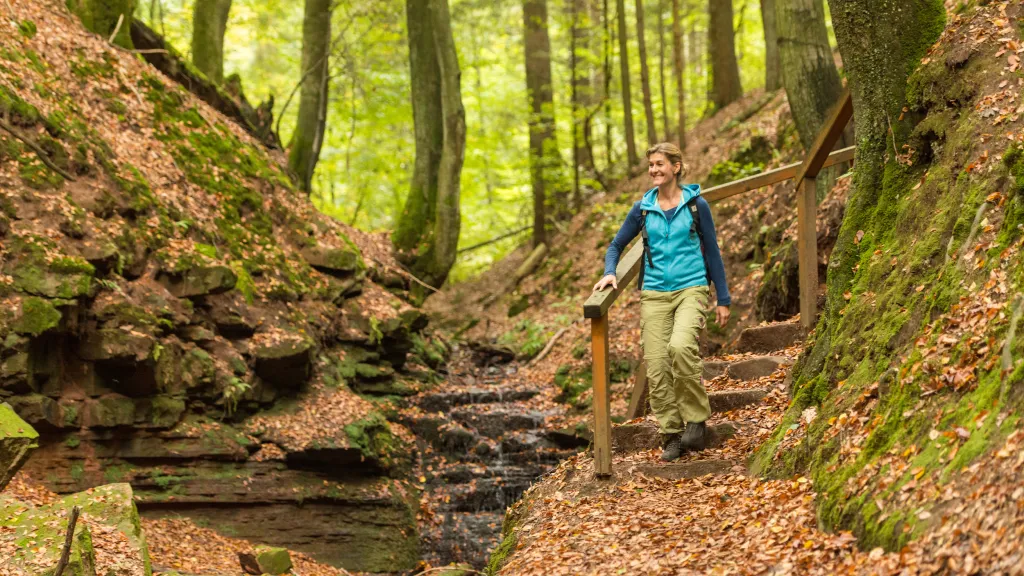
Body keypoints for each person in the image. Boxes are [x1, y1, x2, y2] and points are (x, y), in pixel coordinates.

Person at [593, 142, 731, 461]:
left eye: (660, 164)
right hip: (654, 293)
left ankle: (696, 418)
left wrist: (722, 298)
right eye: (651, 165)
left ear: (676, 167)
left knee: (680, 347)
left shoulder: (697, 206)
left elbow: (712, 251)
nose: (654, 170)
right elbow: (615, 246)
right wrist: (610, 272)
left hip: (691, 287)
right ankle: (671, 434)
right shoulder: (643, 208)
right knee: (656, 365)